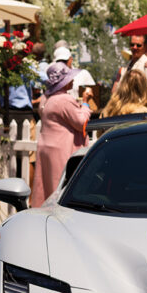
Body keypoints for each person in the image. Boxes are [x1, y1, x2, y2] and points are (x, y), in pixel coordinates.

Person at [31, 61, 91, 207]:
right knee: (60, 187)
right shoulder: (64, 99)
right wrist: (85, 103)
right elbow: (81, 121)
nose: (73, 80)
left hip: (47, 148)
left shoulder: (46, 98)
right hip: (61, 149)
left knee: (46, 185)